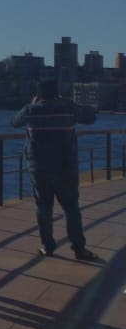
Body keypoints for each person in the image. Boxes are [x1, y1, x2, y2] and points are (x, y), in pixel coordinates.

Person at [11, 79, 99, 261]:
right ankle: (79, 248)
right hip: (65, 167)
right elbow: (91, 117)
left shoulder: (31, 110)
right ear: (57, 93)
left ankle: (47, 245)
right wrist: (70, 102)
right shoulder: (67, 108)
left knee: (43, 206)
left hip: (38, 167)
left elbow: (14, 121)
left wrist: (32, 103)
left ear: (39, 94)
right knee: (71, 207)